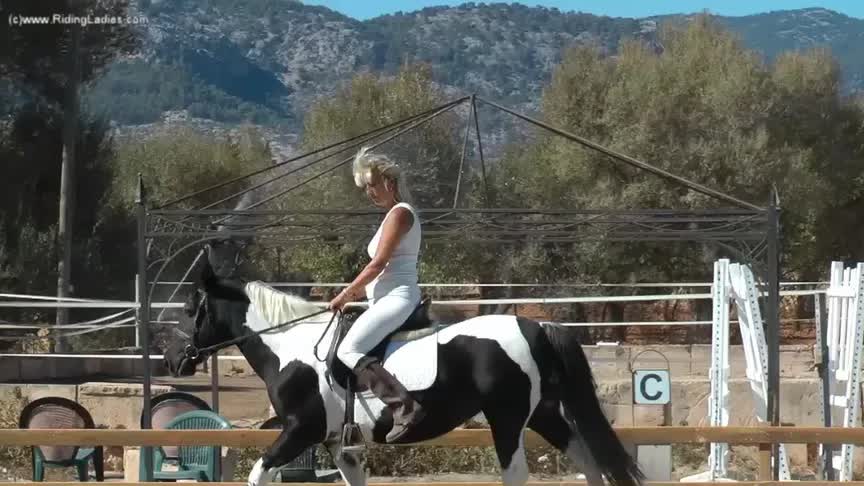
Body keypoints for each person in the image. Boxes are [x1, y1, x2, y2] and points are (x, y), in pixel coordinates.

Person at [328, 147, 425, 443]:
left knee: (348, 350)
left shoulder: (400, 213)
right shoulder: (391, 216)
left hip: (398, 297)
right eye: (366, 187)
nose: (369, 192)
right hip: (384, 299)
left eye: (372, 185)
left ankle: (403, 406)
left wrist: (346, 294)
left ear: (389, 183)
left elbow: (378, 264)